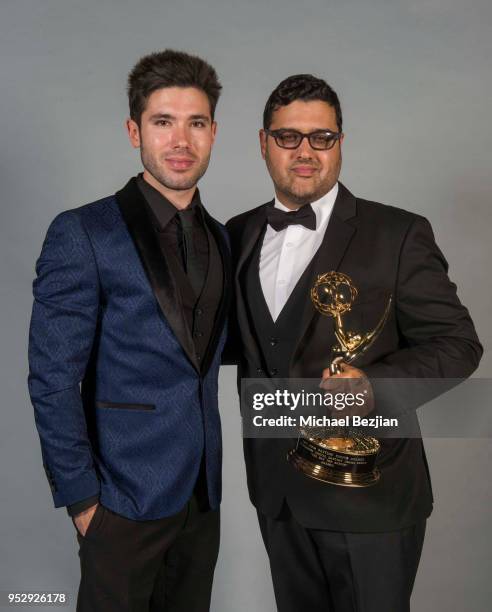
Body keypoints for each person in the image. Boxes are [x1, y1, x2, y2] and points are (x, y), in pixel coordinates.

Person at [224, 74, 482, 611]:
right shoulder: (238, 233)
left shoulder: (398, 233)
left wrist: (374, 386)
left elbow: (459, 344)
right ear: (263, 143)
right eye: (288, 137)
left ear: (340, 142)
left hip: (372, 499)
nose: (305, 152)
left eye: (322, 137)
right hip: (277, 493)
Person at [28, 49, 231, 612]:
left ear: (213, 132)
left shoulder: (223, 238)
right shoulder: (83, 233)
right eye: (162, 122)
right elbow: (51, 378)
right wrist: (83, 501)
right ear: (133, 130)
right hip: (119, 500)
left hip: (201, 499)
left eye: (195, 123)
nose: (180, 141)